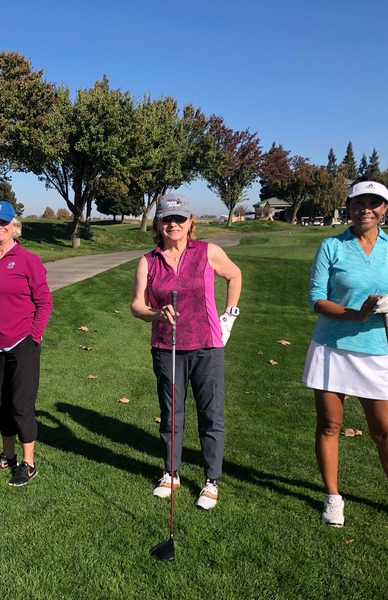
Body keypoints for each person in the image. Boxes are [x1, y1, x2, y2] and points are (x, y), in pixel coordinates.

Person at [303, 178, 388, 533]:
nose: (366, 210)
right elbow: (316, 299)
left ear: (385, 208)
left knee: (385, 431)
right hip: (332, 347)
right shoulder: (332, 245)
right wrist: (355, 314)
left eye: (374, 203)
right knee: (330, 426)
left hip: (377, 351)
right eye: (359, 203)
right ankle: (333, 496)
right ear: (349, 207)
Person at [130, 193, 242, 510]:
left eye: (179, 218)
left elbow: (234, 275)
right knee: (171, 415)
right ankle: (171, 473)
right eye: (167, 218)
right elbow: (137, 306)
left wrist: (229, 317)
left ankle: (211, 480)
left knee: (210, 415)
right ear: (158, 223)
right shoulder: (148, 261)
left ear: (190, 221)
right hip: (167, 348)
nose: (173, 224)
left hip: (207, 346)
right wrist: (156, 313)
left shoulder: (208, 252)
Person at [0, 200, 52, 486]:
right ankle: (8, 456)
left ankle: (28, 464)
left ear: (14, 225)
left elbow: (44, 301)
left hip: (23, 342)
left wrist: (34, 336)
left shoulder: (28, 259)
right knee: (1, 403)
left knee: (21, 403)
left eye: (3, 223)